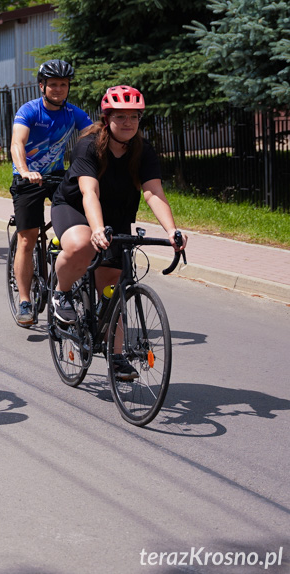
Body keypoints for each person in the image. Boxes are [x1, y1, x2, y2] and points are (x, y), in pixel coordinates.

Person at [50, 86, 188, 379]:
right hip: (75, 206)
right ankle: (61, 293)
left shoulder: (143, 150)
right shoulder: (88, 146)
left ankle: (115, 355)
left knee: (115, 285)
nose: (128, 123)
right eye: (121, 117)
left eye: (134, 117)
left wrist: (172, 230)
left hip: (117, 213)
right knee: (80, 245)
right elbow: (89, 191)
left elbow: (153, 191)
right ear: (107, 117)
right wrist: (97, 229)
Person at [9, 59, 93, 325]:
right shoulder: (30, 110)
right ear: (42, 86)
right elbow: (17, 143)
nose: (58, 89)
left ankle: (66, 278)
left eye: (63, 85)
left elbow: (94, 137)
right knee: (27, 238)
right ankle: (24, 300)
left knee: (78, 228)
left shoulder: (73, 113)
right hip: (28, 179)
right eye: (53, 84)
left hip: (58, 177)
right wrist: (24, 169)